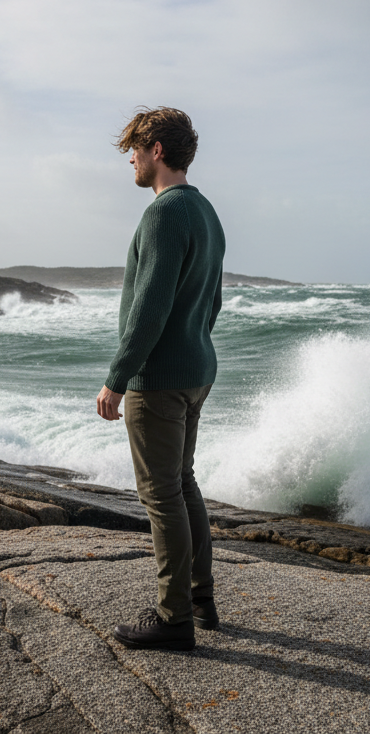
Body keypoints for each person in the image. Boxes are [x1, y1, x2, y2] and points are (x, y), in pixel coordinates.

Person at [96, 106, 226, 652]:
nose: (130, 157)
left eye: (136, 147)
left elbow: (148, 309)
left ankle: (174, 619)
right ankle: (200, 599)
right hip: (197, 369)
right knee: (182, 482)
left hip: (161, 379)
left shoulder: (163, 213)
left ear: (158, 152)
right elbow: (211, 300)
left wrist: (117, 378)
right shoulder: (206, 212)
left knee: (160, 496)